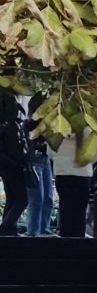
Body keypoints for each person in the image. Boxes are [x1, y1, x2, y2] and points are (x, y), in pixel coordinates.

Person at [51, 132, 94, 238]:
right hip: (82, 173)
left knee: (65, 210)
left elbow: (50, 151)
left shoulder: (57, 129)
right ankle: (79, 243)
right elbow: (94, 155)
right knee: (80, 212)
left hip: (62, 173)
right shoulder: (87, 130)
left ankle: (65, 243)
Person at [0, 93, 31, 236]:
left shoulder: (4, 124)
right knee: (22, 199)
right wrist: (22, 160)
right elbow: (15, 149)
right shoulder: (11, 125)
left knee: (12, 198)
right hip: (14, 166)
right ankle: (6, 226)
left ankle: (8, 227)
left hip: (5, 165)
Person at [23, 95, 51, 235]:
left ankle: (43, 228)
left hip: (45, 159)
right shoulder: (29, 123)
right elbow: (28, 145)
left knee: (48, 197)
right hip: (34, 161)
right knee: (37, 199)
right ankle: (33, 231)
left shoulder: (47, 123)